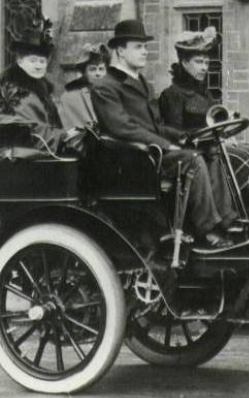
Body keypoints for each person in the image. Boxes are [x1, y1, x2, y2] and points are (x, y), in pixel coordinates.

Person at [90, 20, 235, 248]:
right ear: (120, 50)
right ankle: (206, 231)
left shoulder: (143, 83)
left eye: (145, 47)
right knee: (192, 160)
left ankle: (225, 222)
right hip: (131, 162)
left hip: (150, 153)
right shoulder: (105, 85)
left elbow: (156, 125)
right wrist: (167, 145)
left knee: (208, 150)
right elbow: (123, 127)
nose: (145, 52)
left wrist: (184, 137)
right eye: (138, 47)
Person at [159, 27, 249, 221]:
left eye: (207, 62)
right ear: (183, 63)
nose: (204, 68)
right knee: (240, 158)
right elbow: (173, 131)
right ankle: (227, 217)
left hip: (213, 147)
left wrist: (227, 127)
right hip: (195, 151)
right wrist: (198, 138)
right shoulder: (173, 94)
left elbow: (216, 120)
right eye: (198, 62)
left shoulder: (204, 93)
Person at [0, 17, 82, 155]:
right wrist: (64, 136)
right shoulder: (16, 91)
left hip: (41, 151)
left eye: (42, 61)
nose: (38, 66)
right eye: (33, 61)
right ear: (20, 61)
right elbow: (27, 130)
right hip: (25, 157)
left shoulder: (40, 89)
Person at [59, 43, 110, 130]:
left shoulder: (113, 93)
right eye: (93, 69)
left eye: (101, 69)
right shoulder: (71, 97)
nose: (98, 74)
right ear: (84, 72)